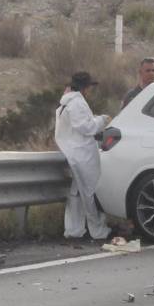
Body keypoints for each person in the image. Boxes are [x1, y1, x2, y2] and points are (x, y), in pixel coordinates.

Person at [56, 71, 112, 240]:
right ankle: (97, 230)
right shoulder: (77, 103)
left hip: (72, 153)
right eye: (89, 87)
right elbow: (86, 127)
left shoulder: (66, 103)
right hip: (82, 155)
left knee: (76, 195)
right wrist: (102, 120)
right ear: (85, 87)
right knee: (89, 194)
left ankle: (74, 229)